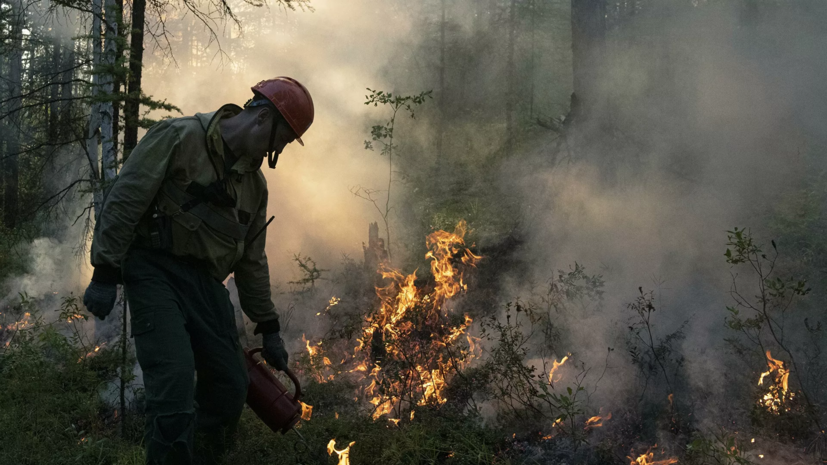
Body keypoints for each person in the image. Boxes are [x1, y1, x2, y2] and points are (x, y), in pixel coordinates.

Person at [82, 77, 314, 464]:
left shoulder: (255, 187)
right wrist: (104, 271)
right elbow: (125, 200)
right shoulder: (178, 137)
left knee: (230, 384)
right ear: (262, 118)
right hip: (154, 270)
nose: (278, 150)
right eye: (283, 139)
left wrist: (268, 326)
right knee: (173, 383)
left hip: (206, 285)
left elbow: (251, 261)